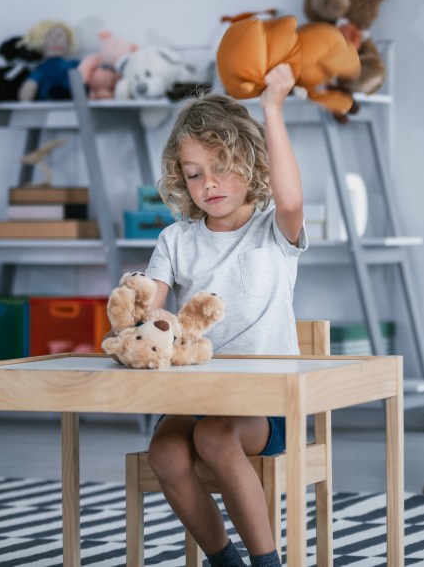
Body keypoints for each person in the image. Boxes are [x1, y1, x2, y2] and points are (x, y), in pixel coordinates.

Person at [145, 63, 304, 567]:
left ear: (251, 165)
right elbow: (150, 312)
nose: (208, 184)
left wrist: (272, 108)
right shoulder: (175, 240)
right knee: (165, 452)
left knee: (216, 434)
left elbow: (291, 197)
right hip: (196, 395)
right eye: (194, 174)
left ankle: (267, 564)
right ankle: (225, 561)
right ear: (179, 178)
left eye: (221, 168)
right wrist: (142, 323)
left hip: (264, 402)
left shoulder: (273, 232)